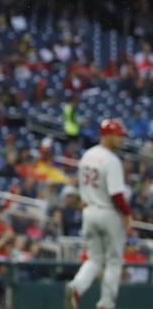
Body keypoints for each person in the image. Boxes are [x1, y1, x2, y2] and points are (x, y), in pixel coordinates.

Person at [64, 118, 131, 309]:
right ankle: (106, 304)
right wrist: (127, 214)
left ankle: (76, 287)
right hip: (109, 212)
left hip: (89, 211)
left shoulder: (87, 155)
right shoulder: (112, 160)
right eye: (118, 135)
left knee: (95, 258)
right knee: (113, 261)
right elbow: (116, 194)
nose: (121, 139)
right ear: (107, 135)